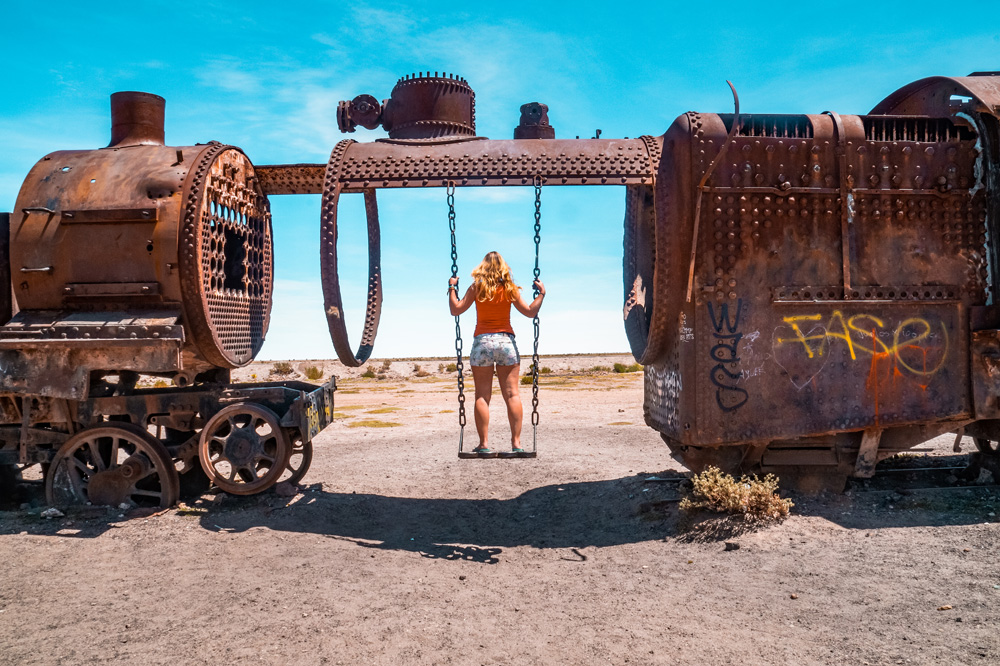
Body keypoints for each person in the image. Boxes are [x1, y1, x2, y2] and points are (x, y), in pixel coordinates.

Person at [448, 251, 545, 457]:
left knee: (482, 396)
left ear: (482, 267)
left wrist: (452, 287)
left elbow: (456, 309)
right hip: (505, 342)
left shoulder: (477, 287)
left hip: (482, 342)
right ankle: (516, 444)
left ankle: (484, 445)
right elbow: (530, 312)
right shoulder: (509, 289)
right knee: (512, 394)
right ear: (503, 267)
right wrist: (542, 294)